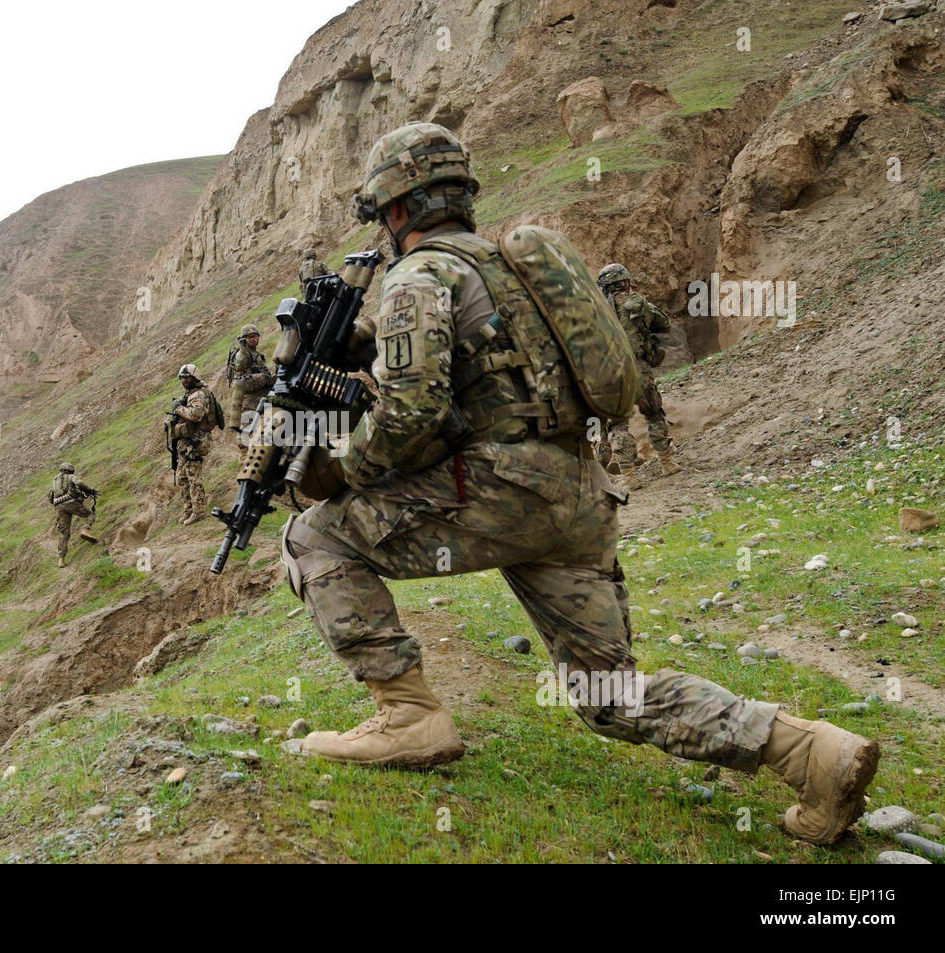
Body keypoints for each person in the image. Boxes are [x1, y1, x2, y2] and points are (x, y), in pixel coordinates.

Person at [280, 121, 879, 845]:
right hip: (579, 493)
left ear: (398, 209)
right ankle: (811, 751)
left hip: (499, 491)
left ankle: (409, 717)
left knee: (313, 535)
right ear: (460, 196)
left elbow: (410, 414)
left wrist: (337, 470)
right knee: (610, 696)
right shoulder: (514, 270)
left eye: (383, 216)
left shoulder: (417, 276)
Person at [595, 262, 679, 489]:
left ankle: (630, 478)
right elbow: (664, 324)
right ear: (626, 282)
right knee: (654, 415)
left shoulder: (596, 312)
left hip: (613, 376)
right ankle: (667, 464)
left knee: (618, 425)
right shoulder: (639, 304)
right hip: (641, 371)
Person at [166, 363, 219, 525]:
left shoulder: (199, 395)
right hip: (186, 442)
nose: (184, 381)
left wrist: (179, 408)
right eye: (182, 378)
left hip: (195, 442)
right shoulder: (190, 393)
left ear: (194, 378)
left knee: (193, 477)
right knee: (182, 477)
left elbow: (196, 415)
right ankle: (188, 509)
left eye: (187, 378)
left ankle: (199, 511)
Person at [226, 324, 273, 452]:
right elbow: (239, 381)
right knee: (246, 440)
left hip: (260, 399)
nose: (253, 339)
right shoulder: (242, 355)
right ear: (243, 339)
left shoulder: (256, 354)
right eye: (249, 337)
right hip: (249, 403)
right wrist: (262, 378)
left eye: (255, 336)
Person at [49, 462, 98, 567]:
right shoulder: (71, 477)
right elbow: (79, 483)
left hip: (59, 506)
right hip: (71, 502)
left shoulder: (55, 480)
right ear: (71, 470)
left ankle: (61, 559)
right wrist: (89, 490)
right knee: (90, 515)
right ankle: (85, 530)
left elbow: (51, 495)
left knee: (65, 533)